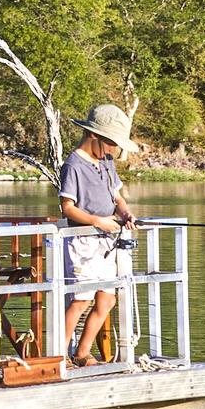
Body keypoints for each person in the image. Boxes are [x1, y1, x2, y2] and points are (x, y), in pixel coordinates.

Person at [60, 103, 139, 367]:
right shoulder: (73, 165)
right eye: (110, 143)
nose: (114, 150)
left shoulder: (107, 162)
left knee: (107, 299)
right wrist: (97, 221)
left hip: (108, 241)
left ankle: (82, 353)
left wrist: (126, 214)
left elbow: (117, 197)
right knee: (82, 299)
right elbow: (68, 207)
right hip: (83, 240)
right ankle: (59, 354)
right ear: (93, 135)